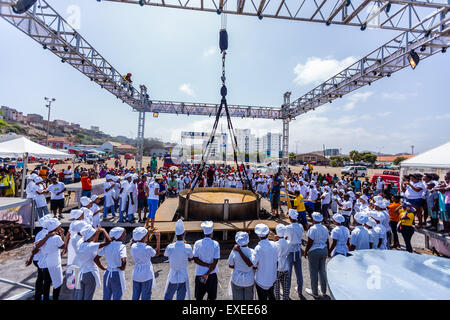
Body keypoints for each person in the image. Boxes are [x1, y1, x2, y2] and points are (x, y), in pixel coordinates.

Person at [75, 225, 111, 300]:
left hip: (81, 273)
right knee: (88, 297)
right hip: (90, 274)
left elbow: (93, 241)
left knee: (80, 297)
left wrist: (96, 232)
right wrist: (103, 230)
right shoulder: (90, 246)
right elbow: (108, 241)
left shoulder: (80, 243)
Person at [34, 218, 66, 301]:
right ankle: (55, 298)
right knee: (58, 283)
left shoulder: (44, 237)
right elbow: (63, 246)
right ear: (56, 227)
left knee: (46, 283)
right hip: (54, 265)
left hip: (45, 264)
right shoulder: (56, 238)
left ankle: (45, 298)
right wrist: (62, 235)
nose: (60, 228)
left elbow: (37, 246)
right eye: (59, 226)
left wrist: (48, 236)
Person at [94, 227, 127, 300]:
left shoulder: (107, 245)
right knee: (117, 296)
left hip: (107, 273)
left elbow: (96, 259)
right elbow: (124, 260)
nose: (125, 234)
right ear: (119, 235)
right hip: (117, 274)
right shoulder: (122, 246)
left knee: (106, 296)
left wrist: (102, 268)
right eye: (124, 233)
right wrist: (122, 267)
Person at [164, 219, 193, 300]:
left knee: (168, 295)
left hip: (173, 274)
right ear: (184, 234)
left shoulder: (170, 247)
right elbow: (191, 257)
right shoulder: (187, 247)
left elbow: (166, 254)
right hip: (183, 274)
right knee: (181, 296)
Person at [304, 212, 329, 299]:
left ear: (314, 219)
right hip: (324, 250)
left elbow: (310, 242)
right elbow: (327, 241)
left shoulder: (313, 228)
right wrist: (328, 251)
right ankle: (324, 291)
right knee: (322, 271)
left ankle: (315, 292)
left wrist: (305, 251)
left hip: (315, 251)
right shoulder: (325, 228)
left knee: (314, 271)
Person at [131, 227, 161, 300]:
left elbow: (140, 239)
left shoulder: (133, 246)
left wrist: (146, 231)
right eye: (146, 235)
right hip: (146, 274)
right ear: (144, 237)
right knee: (146, 296)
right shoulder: (148, 248)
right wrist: (158, 239)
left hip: (136, 274)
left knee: (135, 295)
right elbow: (156, 253)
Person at [193, 221, 220, 300]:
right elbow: (215, 262)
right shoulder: (215, 244)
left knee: (199, 297)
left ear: (204, 233)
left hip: (200, 274)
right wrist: (207, 273)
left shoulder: (197, 243)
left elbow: (195, 259)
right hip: (211, 274)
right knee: (212, 297)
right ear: (211, 233)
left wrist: (206, 266)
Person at [252, 223, 278, 300]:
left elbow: (254, 264)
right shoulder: (274, 244)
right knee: (271, 295)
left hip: (261, 280)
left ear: (258, 236)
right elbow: (276, 260)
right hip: (272, 278)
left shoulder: (258, 248)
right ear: (267, 234)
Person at [227, 231, 255, 300]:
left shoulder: (234, 251)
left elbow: (230, 265)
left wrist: (237, 266)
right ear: (248, 240)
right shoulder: (252, 251)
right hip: (249, 280)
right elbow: (254, 265)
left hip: (237, 280)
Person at [284, 209, 304, 299]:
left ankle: (287, 292)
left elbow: (285, 238)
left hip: (290, 250)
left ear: (290, 217)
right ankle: (299, 290)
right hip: (298, 250)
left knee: (288, 273)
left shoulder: (288, 227)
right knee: (299, 271)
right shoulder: (300, 226)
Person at [274, 224, 290, 300]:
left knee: (276, 287)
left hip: (277, 267)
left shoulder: (275, 244)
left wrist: (274, 240)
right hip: (285, 265)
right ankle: (285, 298)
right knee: (285, 285)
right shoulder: (288, 242)